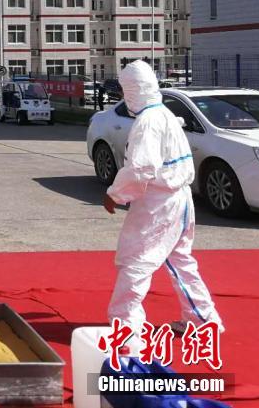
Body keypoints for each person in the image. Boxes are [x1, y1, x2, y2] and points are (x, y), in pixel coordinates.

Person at [104, 60, 222, 339]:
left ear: (130, 90)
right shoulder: (164, 114)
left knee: (136, 260)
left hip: (158, 202)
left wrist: (114, 194)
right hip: (179, 199)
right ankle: (202, 319)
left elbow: (142, 167)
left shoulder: (148, 122)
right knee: (180, 260)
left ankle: (125, 327)